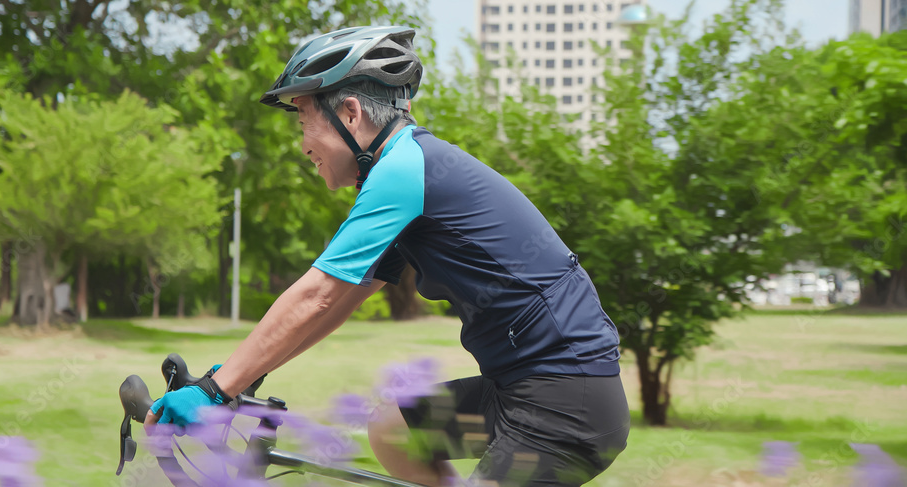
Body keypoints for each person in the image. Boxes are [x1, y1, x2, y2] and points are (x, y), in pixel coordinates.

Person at [145, 26, 629, 486]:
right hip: (518, 388)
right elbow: (339, 300)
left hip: (565, 400)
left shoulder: (403, 169)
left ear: (350, 113)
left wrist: (215, 392)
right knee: (393, 429)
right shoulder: (404, 170)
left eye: (303, 120)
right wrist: (234, 378)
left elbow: (316, 293)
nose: (303, 146)